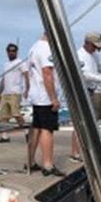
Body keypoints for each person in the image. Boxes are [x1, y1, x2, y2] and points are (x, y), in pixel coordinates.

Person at [70, 31, 101, 161]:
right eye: (95, 46)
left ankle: (88, 150)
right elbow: (85, 75)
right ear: (87, 42)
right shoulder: (79, 55)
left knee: (93, 121)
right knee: (81, 123)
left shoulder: (95, 55)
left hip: (93, 91)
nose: (97, 49)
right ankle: (75, 153)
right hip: (81, 91)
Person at [26, 33, 64, 176]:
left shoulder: (34, 47)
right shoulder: (47, 49)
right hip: (45, 97)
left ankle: (30, 161)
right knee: (47, 130)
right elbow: (47, 73)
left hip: (36, 95)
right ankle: (48, 164)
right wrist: (54, 98)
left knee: (36, 128)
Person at [0, 42, 29, 143]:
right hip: (6, 93)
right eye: (9, 51)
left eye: (13, 51)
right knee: (4, 116)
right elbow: (3, 79)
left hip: (15, 92)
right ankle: (5, 136)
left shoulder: (20, 62)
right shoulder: (6, 64)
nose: (11, 53)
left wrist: (27, 89)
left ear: (17, 52)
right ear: (7, 52)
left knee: (16, 114)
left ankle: (27, 132)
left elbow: (26, 75)